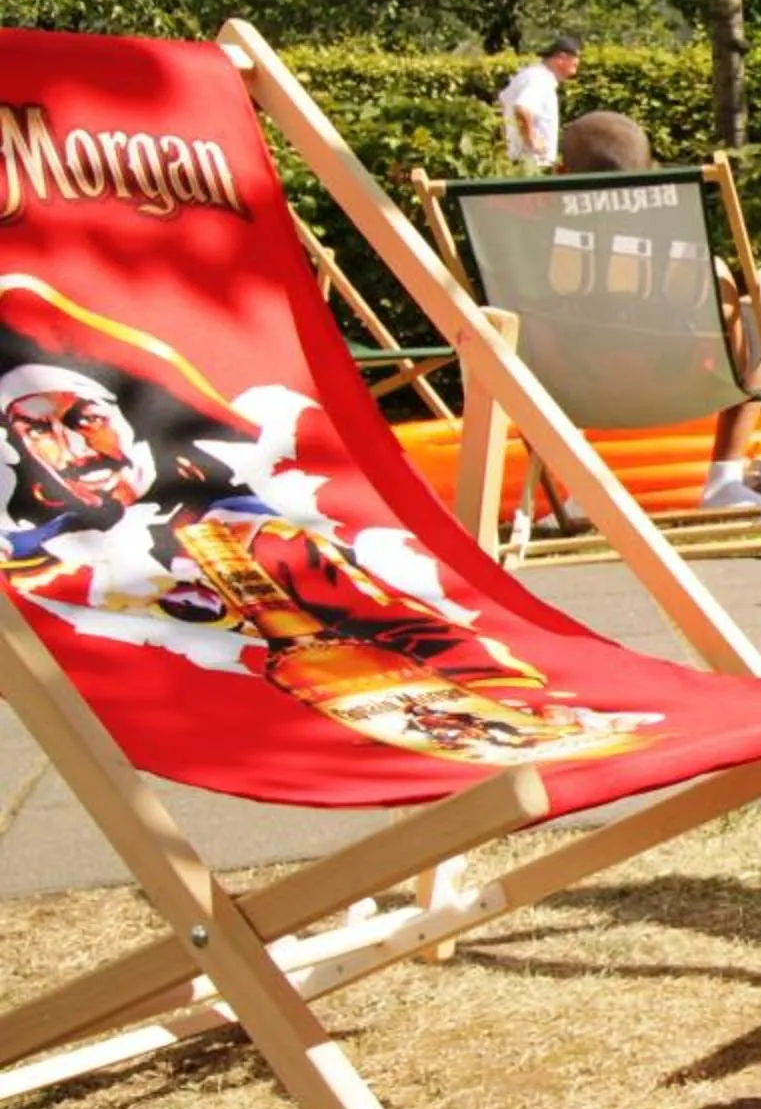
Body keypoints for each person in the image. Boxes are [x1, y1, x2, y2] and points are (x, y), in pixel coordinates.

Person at [0, 278, 652, 764]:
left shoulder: (249, 542)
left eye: (85, 418)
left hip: (385, 722)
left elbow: (415, 627)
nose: (75, 447)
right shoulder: (29, 566)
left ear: (128, 422)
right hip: (176, 715)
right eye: (37, 430)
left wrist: (501, 704)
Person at [546, 111, 761, 512]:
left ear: (562, 171)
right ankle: (723, 481)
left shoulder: (533, 245)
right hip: (678, 388)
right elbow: (725, 296)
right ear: (648, 171)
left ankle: (570, 488)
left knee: (513, 320)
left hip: (575, 392)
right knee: (759, 313)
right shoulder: (678, 252)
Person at [496, 35, 582, 171]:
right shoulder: (539, 79)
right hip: (531, 166)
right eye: (576, 58)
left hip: (523, 163)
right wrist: (531, 139)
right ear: (562, 57)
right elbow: (522, 108)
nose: (578, 62)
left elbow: (503, 103)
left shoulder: (531, 76)